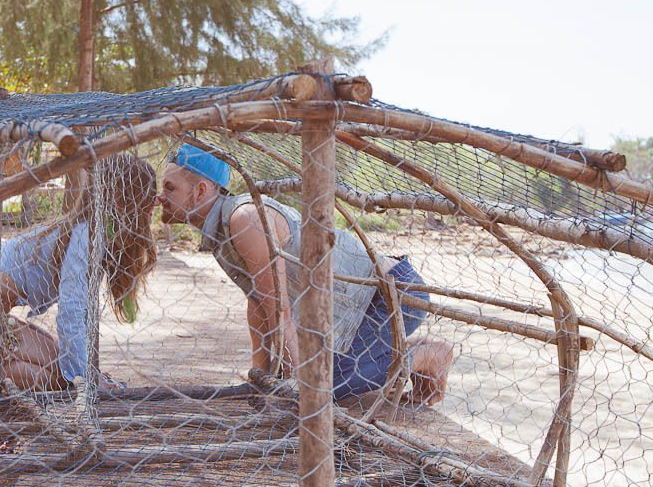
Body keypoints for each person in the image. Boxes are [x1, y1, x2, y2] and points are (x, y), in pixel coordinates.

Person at [156, 144, 452, 405]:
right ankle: (406, 350)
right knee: (301, 380)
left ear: (200, 191)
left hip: (392, 295)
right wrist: (259, 375)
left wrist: (298, 384)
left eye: (170, 188)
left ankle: (427, 356)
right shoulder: (221, 227)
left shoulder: (244, 220)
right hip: (354, 306)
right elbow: (258, 301)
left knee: (322, 387)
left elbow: (279, 309)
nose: (160, 198)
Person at [0, 152, 157, 396]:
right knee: (61, 374)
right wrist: (83, 377)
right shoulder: (86, 234)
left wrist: (83, 370)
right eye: (149, 201)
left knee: (59, 357)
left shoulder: (89, 229)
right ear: (131, 201)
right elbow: (72, 309)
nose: (154, 207)